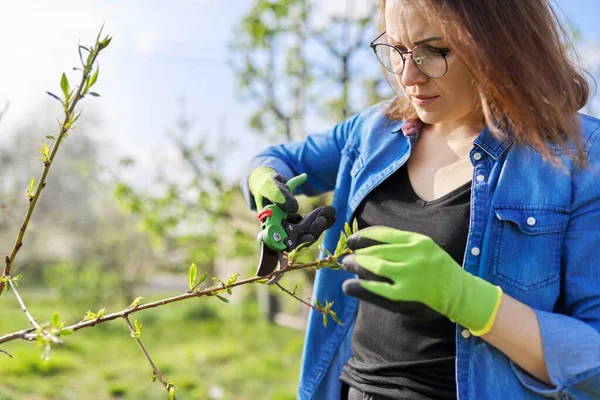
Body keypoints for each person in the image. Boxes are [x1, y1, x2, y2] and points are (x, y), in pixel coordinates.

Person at [242, 0, 600, 398]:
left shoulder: (582, 158)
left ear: (500, 43)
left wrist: (466, 299)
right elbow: (281, 160)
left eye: (434, 52)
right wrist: (265, 186)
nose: (408, 76)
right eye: (396, 51)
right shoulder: (374, 133)